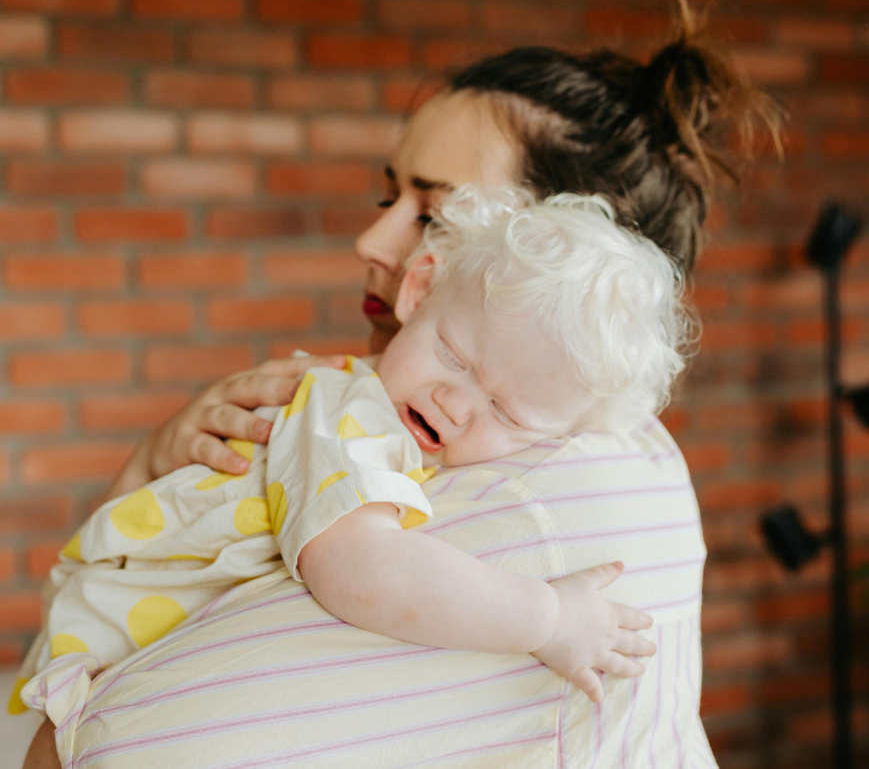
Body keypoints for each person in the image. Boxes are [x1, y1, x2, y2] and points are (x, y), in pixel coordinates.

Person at [21, 4, 779, 769]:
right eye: (392, 198)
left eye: (435, 213)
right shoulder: (358, 409)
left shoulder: (563, 484)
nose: (371, 241)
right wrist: (157, 461)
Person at [17, 190, 689, 759]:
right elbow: (357, 568)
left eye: (507, 413)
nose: (454, 405)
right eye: (453, 355)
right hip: (96, 649)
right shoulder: (346, 411)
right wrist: (547, 618)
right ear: (419, 289)